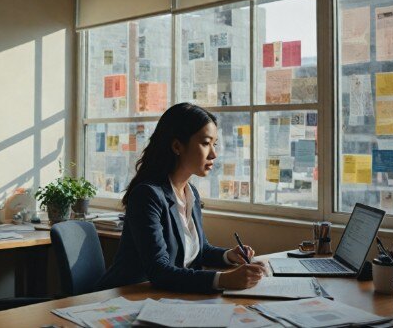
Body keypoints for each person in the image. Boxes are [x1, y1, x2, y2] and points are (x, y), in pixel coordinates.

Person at [95, 103, 267, 294]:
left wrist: (229, 256)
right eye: (205, 143)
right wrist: (224, 279)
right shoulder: (147, 195)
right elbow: (159, 271)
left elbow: (199, 250)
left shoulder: (189, 192)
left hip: (168, 297)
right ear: (177, 146)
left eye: (214, 144)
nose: (214, 153)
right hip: (129, 297)